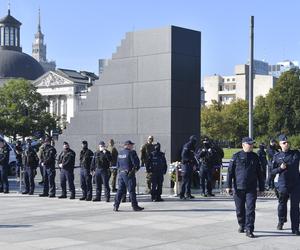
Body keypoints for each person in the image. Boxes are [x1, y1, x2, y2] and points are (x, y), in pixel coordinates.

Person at [226, 137, 265, 238]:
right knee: (239, 209)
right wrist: (228, 186)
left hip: (251, 188)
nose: (251, 145)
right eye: (249, 144)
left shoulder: (255, 157)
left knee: (251, 209)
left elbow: (260, 174)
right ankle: (242, 224)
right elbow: (230, 172)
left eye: (252, 144)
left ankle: (249, 229)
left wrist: (261, 188)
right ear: (243, 145)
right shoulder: (236, 156)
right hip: (238, 188)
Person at [271, 135, 300, 235]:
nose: (286, 144)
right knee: (282, 205)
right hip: (283, 184)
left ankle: (295, 228)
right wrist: (280, 168)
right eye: (284, 142)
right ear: (280, 144)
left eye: (287, 142)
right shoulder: (276, 156)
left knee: (295, 207)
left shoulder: (296, 153)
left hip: (295, 183)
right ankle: (281, 221)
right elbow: (272, 171)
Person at [114, 140, 144, 211]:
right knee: (131, 191)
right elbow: (136, 164)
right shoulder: (131, 152)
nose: (132, 146)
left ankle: (116, 205)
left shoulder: (120, 153)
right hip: (128, 174)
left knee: (120, 190)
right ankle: (135, 206)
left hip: (121, 174)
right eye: (131, 145)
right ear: (127, 145)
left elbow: (117, 165)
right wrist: (134, 171)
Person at [179, 135, 198, 200]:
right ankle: (182, 195)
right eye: (194, 140)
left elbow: (193, 156)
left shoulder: (193, 146)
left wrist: (194, 164)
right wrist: (189, 160)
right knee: (184, 181)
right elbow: (183, 155)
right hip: (186, 165)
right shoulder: (187, 145)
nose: (195, 142)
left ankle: (188, 194)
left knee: (189, 180)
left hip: (190, 165)